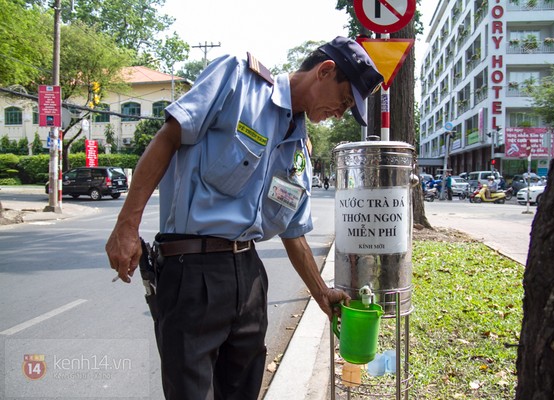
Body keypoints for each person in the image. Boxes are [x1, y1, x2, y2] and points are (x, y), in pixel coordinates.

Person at [105, 36, 383, 400]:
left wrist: (321, 292)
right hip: (192, 269)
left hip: (249, 276)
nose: (340, 113)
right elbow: (168, 137)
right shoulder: (238, 79)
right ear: (325, 71)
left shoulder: (300, 150)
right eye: (344, 101)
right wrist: (127, 225)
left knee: (243, 392)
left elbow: (292, 232)